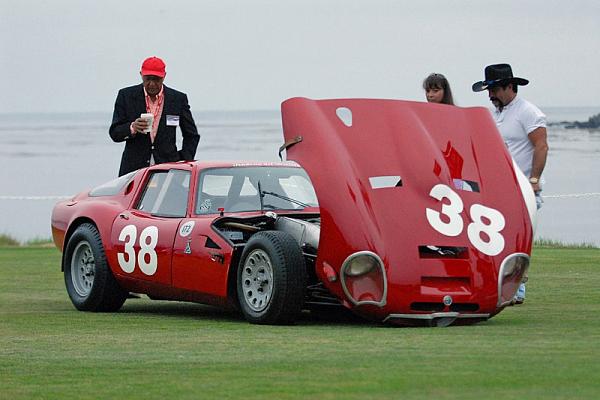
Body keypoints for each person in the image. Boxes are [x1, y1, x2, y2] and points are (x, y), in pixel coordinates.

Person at [472, 63, 549, 304]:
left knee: (519, 240)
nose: (490, 95)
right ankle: (498, 287)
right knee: (496, 239)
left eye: (494, 89)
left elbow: (541, 146)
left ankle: (517, 290)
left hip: (524, 188)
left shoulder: (528, 112)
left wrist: (534, 180)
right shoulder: (495, 113)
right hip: (499, 188)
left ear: (509, 87)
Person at [109, 56, 200, 176]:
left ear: (164, 76)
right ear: (141, 75)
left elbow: (192, 135)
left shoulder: (178, 99)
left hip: (168, 169)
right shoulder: (126, 96)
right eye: (148, 79)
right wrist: (132, 128)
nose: (152, 84)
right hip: (133, 170)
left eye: (156, 79)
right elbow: (115, 133)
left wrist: (182, 161)